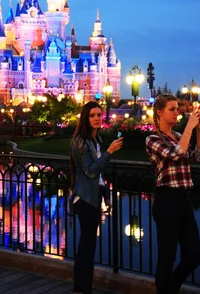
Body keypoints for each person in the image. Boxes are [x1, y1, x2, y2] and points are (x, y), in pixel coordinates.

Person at [145, 94, 200, 294]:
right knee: (167, 256)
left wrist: (199, 131)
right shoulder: (153, 139)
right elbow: (175, 154)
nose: (177, 112)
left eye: (177, 108)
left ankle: (169, 290)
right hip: (166, 200)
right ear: (159, 112)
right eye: (172, 109)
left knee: (193, 256)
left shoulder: (180, 137)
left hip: (183, 199)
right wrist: (189, 126)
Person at [70, 101, 123, 294]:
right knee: (86, 245)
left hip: (93, 198)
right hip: (84, 199)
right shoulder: (81, 142)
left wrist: (106, 195)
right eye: (92, 115)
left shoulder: (96, 140)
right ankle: (81, 288)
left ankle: (83, 287)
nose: (96, 119)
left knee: (89, 245)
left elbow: (100, 176)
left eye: (99, 115)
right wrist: (109, 152)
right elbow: (91, 171)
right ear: (85, 118)